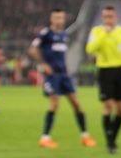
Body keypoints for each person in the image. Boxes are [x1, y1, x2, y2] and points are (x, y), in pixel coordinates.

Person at [28, 9, 97, 148]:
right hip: (52, 75)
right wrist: (43, 64)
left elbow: (61, 56)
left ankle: (85, 136)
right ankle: (45, 138)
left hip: (64, 75)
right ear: (51, 19)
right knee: (54, 104)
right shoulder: (46, 33)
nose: (59, 20)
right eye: (56, 18)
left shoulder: (64, 35)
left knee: (76, 104)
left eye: (61, 18)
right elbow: (32, 50)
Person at [86, 6, 121, 154]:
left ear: (116, 17)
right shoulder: (97, 32)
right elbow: (90, 49)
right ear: (102, 18)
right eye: (106, 17)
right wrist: (104, 35)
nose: (108, 19)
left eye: (111, 16)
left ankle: (112, 138)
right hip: (105, 70)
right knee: (108, 105)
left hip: (120, 71)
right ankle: (110, 142)